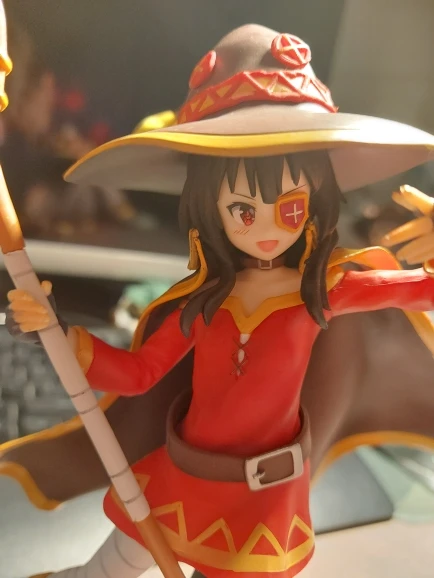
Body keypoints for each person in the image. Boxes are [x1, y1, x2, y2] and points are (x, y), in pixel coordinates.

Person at [5, 24, 434, 578]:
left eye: (290, 207)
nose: (266, 230)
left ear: (316, 201)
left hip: (262, 501)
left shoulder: (323, 291)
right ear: (211, 208)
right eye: (243, 211)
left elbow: (420, 289)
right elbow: (137, 374)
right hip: (183, 479)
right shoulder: (204, 302)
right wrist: (57, 333)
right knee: (111, 566)